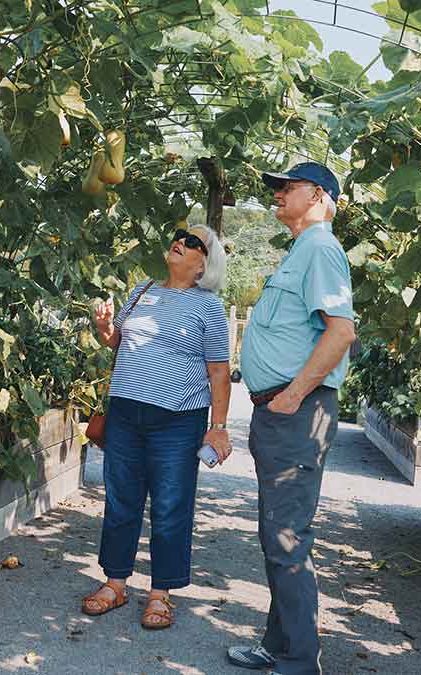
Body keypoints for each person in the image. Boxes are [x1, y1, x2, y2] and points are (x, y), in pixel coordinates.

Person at [227, 162, 355, 675]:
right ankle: (278, 646)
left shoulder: (321, 249)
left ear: (319, 197)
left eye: (288, 187)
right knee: (277, 534)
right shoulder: (302, 251)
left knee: (285, 538)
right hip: (283, 414)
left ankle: (300, 662)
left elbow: (340, 332)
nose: (278, 194)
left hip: (295, 412)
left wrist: (291, 396)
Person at [82, 224, 233, 630]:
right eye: (179, 235)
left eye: (193, 242)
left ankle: (161, 594)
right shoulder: (143, 290)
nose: (180, 241)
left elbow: (219, 372)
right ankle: (115, 584)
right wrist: (105, 329)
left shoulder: (209, 308)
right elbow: (118, 344)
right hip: (126, 414)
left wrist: (218, 427)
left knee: (169, 508)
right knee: (120, 501)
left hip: (178, 422)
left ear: (204, 264)